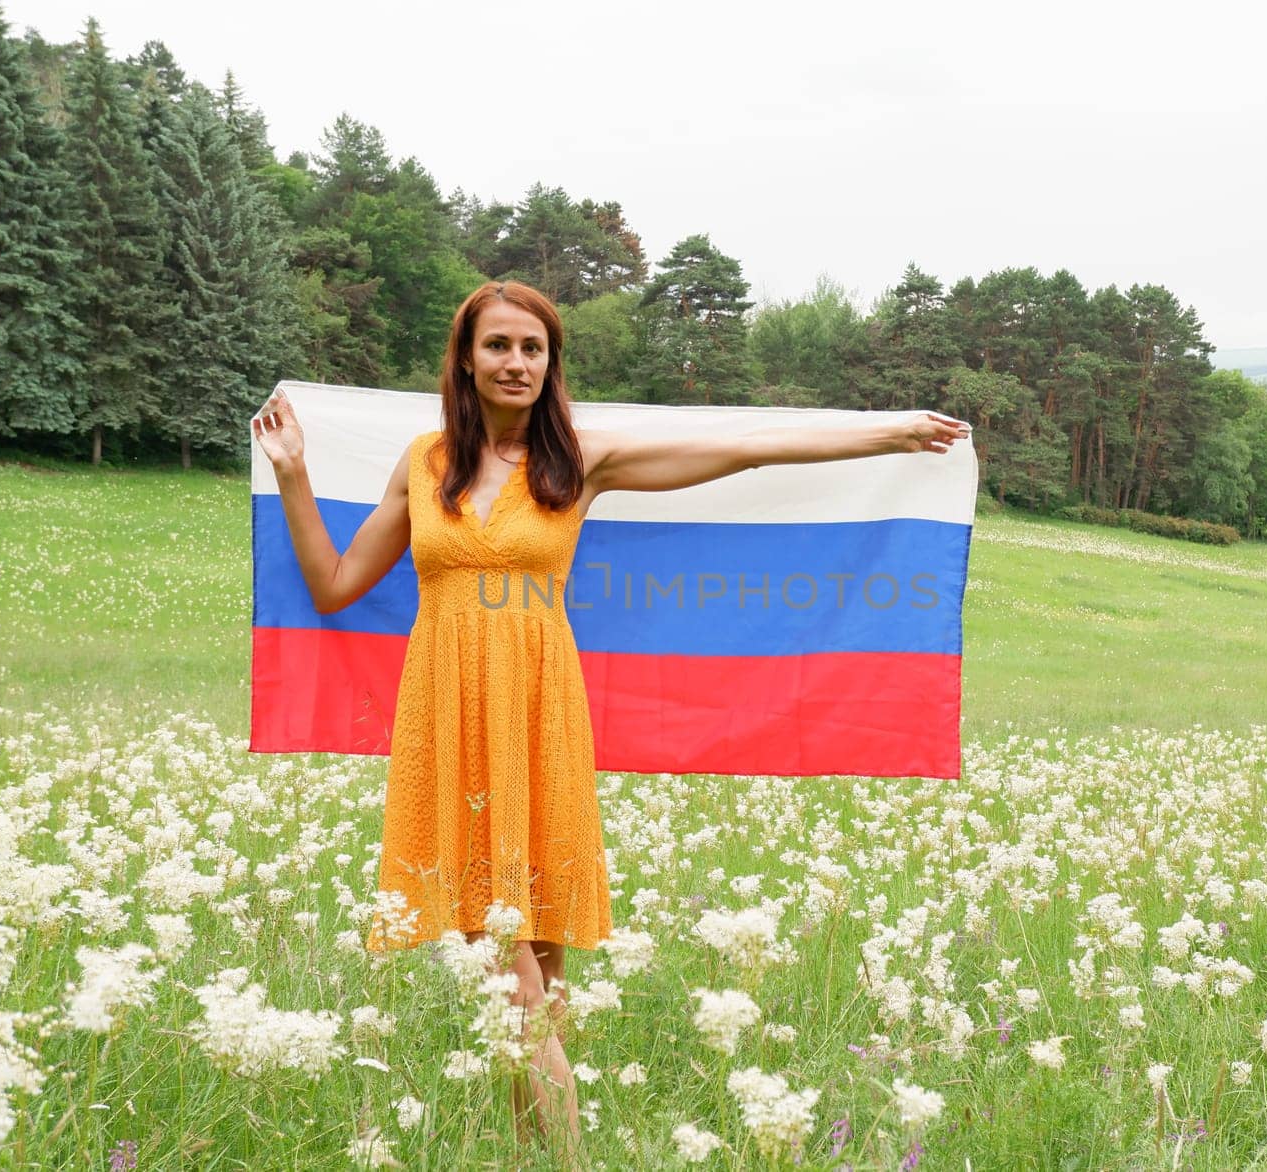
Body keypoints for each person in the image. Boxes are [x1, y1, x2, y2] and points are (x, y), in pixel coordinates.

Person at [252, 278, 970, 1165]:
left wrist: (889, 430)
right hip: (449, 724)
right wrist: (293, 476)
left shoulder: (578, 462)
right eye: (498, 346)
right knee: (515, 987)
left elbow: (744, 451)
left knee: (534, 985)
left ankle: (552, 1159)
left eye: (533, 349)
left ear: (551, 364)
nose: (515, 362)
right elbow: (332, 585)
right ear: (466, 358)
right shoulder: (424, 460)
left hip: (541, 722)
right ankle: (550, 1157)